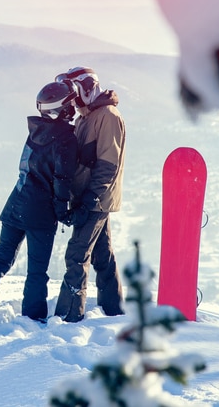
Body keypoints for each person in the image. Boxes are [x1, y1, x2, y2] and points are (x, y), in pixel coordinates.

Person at [0, 81, 79, 327]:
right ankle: (33, 318)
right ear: (61, 109)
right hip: (40, 213)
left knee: (2, 258)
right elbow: (62, 179)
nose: (72, 108)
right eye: (69, 104)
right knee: (37, 270)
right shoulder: (66, 139)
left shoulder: (36, 130)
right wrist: (64, 212)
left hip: (16, 203)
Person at [53, 66, 126, 322]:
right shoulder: (86, 116)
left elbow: (108, 164)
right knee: (102, 255)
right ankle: (113, 309)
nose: (72, 100)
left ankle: (68, 316)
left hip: (96, 199)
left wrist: (90, 200)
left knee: (77, 253)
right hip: (87, 197)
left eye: (74, 92)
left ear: (87, 88)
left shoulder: (107, 116)